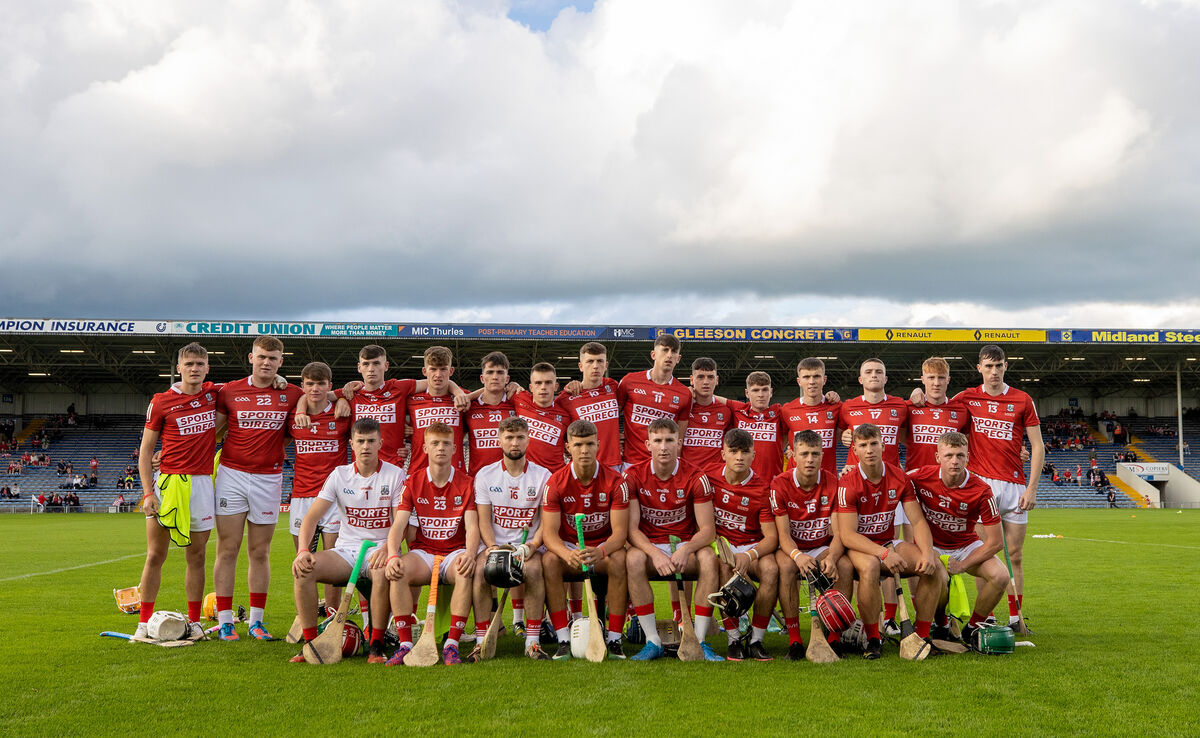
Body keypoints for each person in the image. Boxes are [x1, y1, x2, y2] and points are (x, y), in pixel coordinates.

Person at [212, 336, 307, 641]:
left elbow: (318, 401)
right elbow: (213, 431)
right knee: (227, 549)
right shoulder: (229, 391)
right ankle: (225, 621)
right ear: (251, 358)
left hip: (268, 478)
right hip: (232, 475)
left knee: (260, 551)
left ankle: (256, 622)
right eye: (262, 356)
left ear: (281, 361)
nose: (267, 362)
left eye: (273, 358)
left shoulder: (293, 394)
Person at [289, 418, 399, 663]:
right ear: (352, 444)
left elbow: (399, 523)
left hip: (380, 549)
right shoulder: (339, 475)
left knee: (381, 573)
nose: (365, 446)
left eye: (371, 441)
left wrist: (387, 549)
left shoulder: (395, 475)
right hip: (346, 552)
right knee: (303, 570)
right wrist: (303, 550)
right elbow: (311, 518)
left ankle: (376, 645)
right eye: (360, 441)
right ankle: (310, 644)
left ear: (380, 443)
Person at [952, 345, 1044, 629]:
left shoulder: (1022, 399)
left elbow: (1038, 445)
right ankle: (988, 618)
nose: (994, 371)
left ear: (1006, 366)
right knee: (985, 555)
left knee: (1015, 554)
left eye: (999, 365)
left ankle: (1016, 618)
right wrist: (918, 394)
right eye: (988, 366)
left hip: (1015, 486)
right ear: (979, 368)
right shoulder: (967, 397)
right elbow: (939, 408)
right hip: (981, 486)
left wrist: (1032, 488)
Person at [133, 342, 220, 640]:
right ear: (179, 368)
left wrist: (279, 379)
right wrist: (148, 493)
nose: (194, 369)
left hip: (201, 484)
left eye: (200, 364)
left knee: (197, 557)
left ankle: (194, 622)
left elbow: (251, 385)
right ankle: (143, 623)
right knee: (155, 555)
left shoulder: (214, 394)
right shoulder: (161, 401)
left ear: (207, 368)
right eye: (189, 364)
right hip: (168, 484)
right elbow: (146, 451)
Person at [835, 424, 943, 659]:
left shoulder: (899, 477)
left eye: (874, 444)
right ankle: (873, 638)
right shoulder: (848, 483)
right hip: (859, 547)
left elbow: (918, 521)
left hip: (888, 542)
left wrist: (926, 552)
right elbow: (848, 535)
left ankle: (921, 636)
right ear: (855, 450)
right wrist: (883, 554)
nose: (869, 450)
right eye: (863, 445)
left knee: (933, 565)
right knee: (870, 567)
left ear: (883, 446)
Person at [623, 418, 721, 661]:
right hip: (649, 546)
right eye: (657, 441)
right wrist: (655, 553)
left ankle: (699, 640)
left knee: (709, 558)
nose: (663, 446)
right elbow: (631, 530)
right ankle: (652, 641)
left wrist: (686, 550)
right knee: (633, 558)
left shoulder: (696, 476)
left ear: (679, 443)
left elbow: (708, 531)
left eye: (669, 440)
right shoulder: (633, 475)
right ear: (648, 444)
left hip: (685, 544)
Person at [385, 422, 480, 665]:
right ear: (425, 447)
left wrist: (470, 554)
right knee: (398, 571)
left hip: (455, 551)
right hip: (424, 552)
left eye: (446, 443)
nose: (440, 448)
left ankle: (452, 644)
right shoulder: (413, 481)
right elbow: (399, 525)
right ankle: (405, 644)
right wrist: (393, 555)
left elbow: (472, 527)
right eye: (435, 443)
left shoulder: (466, 482)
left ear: (455, 449)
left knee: (464, 571)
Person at [540, 420, 631, 660]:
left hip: (602, 547)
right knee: (549, 561)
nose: (584, 451)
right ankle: (563, 638)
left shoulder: (616, 482)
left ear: (598, 445)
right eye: (578, 445)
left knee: (620, 560)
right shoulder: (555, 483)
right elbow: (549, 534)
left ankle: (614, 639)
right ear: (568, 447)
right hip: (571, 548)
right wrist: (565, 553)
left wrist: (601, 551)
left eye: (590, 444)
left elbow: (620, 533)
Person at [907, 432, 1010, 645]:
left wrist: (962, 565)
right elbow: (889, 479)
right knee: (938, 575)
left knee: (1000, 576)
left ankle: (971, 628)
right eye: (949, 455)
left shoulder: (982, 490)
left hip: (965, 544)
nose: (954, 461)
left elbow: (996, 542)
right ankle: (942, 624)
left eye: (960, 455)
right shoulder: (920, 476)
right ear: (938, 457)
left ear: (968, 457)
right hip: (932, 545)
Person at [467, 416, 553, 660]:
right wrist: (493, 547)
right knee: (480, 571)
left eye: (520, 437)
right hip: (495, 545)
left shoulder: (543, 476)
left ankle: (532, 641)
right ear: (499, 440)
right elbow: (484, 520)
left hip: (528, 547)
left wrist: (532, 546)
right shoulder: (486, 475)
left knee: (534, 571)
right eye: (509, 437)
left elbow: (545, 522)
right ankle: (481, 640)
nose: (515, 443)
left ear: (528, 440)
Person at [771, 430, 851, 660]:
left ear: (822, 455)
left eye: (815, 454)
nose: (810, 459)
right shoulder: (779, 484)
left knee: (844, 566)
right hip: (792, 547)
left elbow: (839, 532)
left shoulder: (833, 482)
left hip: (822, 545)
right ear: (793, 455)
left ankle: (834, 638)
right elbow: (783, 535)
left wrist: (832, 557)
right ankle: (795, 640)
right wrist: (798, 556)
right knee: (786, 567)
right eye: (804, 454)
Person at [287, 362, 352, 618]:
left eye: (321, 384)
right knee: (304, 559)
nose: (315, 389)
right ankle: (307, 616)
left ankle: (333, 616)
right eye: (310, 384)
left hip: (334, 499)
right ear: (302, 386)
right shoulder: (293, 417)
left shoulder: (341, 415)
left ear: (329, 385)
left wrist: (343, 398)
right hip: (302, 496)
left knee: (333, 560)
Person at [708, 428, 778, 662]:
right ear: (723, 454)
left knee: (771, 570)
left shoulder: (762, 488)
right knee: (724, 567)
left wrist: (749, 556)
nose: (739, 457)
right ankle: (734, 639)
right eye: (734, 451)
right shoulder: (708, 479)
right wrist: (723, 550)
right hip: (720, 545)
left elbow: (771, 538)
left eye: (745, 452)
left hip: (751, 545)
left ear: (753, 455)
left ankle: (756, 640)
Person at [616, 334, 692, 469]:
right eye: (665, 350)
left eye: (674, 351)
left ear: (678, 358)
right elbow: (612, 417)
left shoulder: (684, 394)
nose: (669, 355)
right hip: (631, 463)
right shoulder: (630, 381)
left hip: (663, 465)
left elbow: (679, 439)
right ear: (653, 354)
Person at [557, 342, 624, 472]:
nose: (595, 366)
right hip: (583, 466)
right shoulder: (565, 398)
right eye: (590, 361)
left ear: (606, 365)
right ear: (581, 366)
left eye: (600, 361)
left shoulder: (613, 386)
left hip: (613, 465)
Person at [839, 358, 909, 471]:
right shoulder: (847, 406)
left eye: (879, 372)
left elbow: (907, 437)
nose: (874, 375)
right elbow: (837, 435)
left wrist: (917, 390)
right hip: (856, 472)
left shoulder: (901, 405)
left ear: (885, 379)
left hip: (890, 474)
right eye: (868, 372)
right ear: (860, 380)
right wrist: (843, 435)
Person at [405, 346, 467, 472]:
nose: (438, 375)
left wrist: (509, 387)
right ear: (424, 371)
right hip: (418, 472)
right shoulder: (411, 399)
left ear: (451, 371)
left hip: (455, 473)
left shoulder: (463, 398)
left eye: (443, 369)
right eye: (433, 369)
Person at [781, 357, 843, 479]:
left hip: (827, 479)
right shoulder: (787, 410)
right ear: (799, 381)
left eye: (816, 376)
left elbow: (844, 434)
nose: (812, 381)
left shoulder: (837, 407)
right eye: (806, 377)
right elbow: (779, 443)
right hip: (795, 480)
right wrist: (789, 451)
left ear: (824, 379)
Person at [462, 352, 516, 476]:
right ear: (482, 378)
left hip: (510, 480)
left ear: (507, 379)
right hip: (478, 479)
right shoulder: (469, 407)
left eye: (500, 372)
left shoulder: (517, 405)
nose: (495, 377)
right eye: (490, 372)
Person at [510, 363, 571, 473]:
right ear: (531, 387)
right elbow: (492, 391)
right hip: (525, 476)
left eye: (548, 382)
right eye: (538, 383)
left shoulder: (566, 416)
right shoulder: (520, 398)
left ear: (556, 386)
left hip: (553, 476)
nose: (543, 387)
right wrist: (512, 384)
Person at [682, 357, 733, 470]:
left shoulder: (726, 411)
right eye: (700, 377)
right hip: (687, 474)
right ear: (691, 380)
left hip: (715, 475)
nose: (706, 382)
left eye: (710, 377)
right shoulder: (682, 407)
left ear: (717, 380)